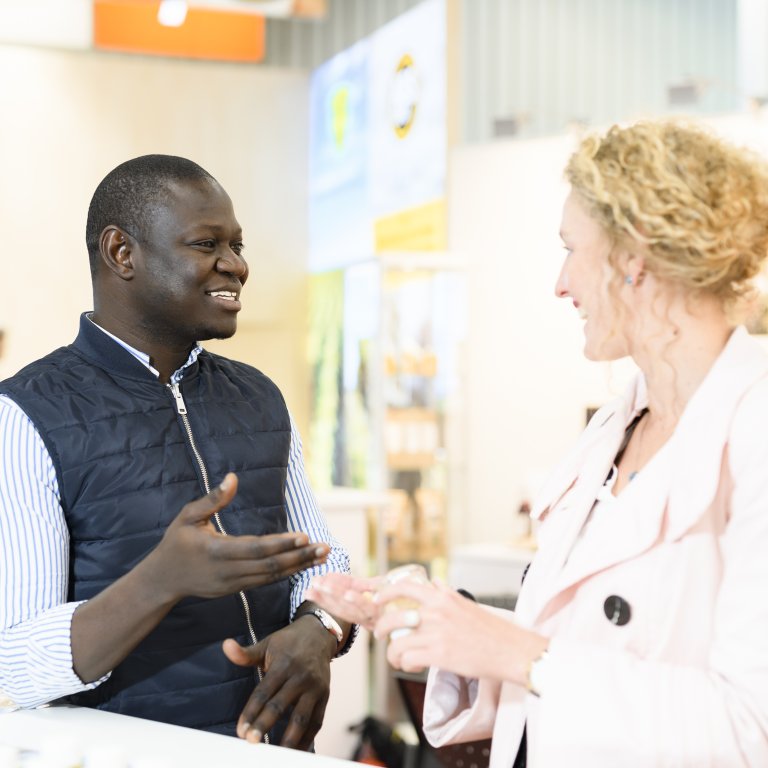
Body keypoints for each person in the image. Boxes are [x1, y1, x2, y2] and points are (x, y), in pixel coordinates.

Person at [307, 121, 768, 766]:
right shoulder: (615, 427)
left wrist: (508, 649)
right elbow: (557, 664)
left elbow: (749, 731)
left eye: (570, 249)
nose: (560, 284)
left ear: (633, 257)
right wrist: (439, 620)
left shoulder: (753, 430)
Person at [0, 154, 355, 750]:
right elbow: (16, 661)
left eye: (238, 245)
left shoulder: (259, 396)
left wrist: (319, 626)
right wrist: (158, 582)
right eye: (206, 244)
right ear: (122, 254)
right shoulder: (26, 414)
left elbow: (319, 557)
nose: (236, 265)